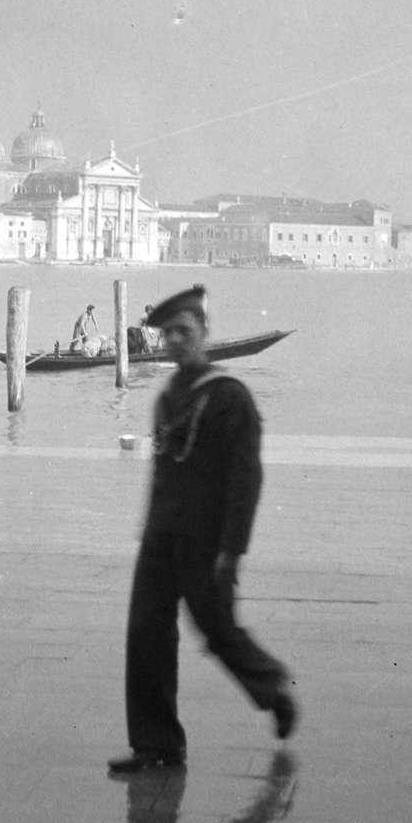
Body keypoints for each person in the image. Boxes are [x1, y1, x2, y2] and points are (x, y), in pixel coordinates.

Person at [109, 285, 296, 774]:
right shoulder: (167, 396)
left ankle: (272, 687)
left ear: (204, 334)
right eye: (167, 333)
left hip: (206, 543)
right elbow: (164, 468)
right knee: (145, 635)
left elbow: (246, 479)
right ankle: (156, 745)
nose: (174, 341)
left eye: (184, 332)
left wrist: (232, 551)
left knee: (217, 630)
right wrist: (148, 527)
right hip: (161, 538)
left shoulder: (229, 397)